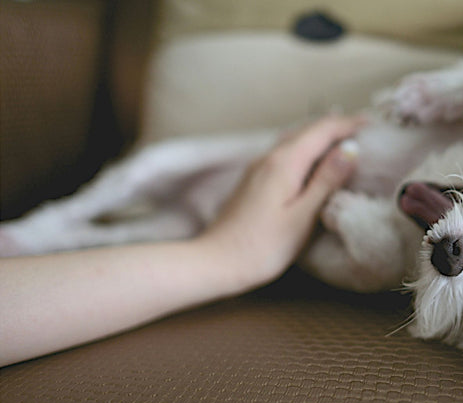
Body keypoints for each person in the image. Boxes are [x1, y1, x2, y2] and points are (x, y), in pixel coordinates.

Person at [0, 115, 364, 368]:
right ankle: (41, 231)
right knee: (151, 172)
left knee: (138, 230)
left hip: (208, 229)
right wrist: (226, 257)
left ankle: (41, 234)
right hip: (229, 211)